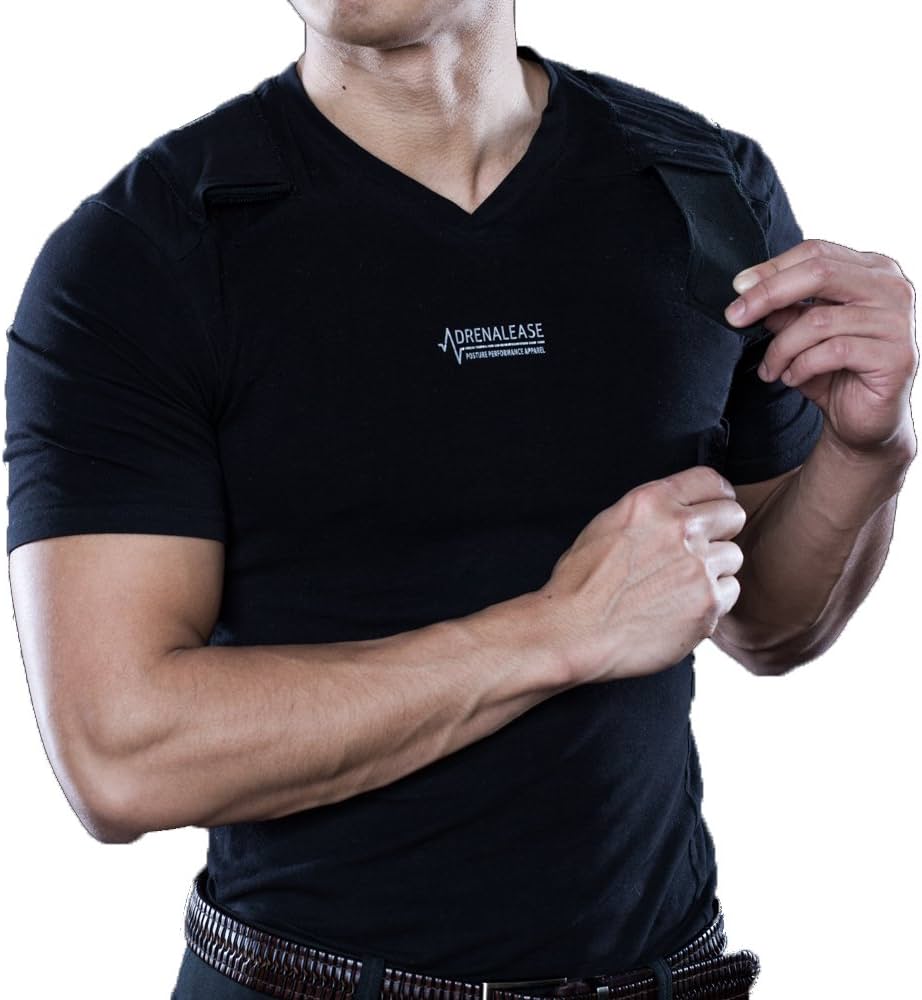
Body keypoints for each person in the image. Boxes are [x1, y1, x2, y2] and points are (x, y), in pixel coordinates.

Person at [5, 2, 916, 999]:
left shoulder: (699, 185)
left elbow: (768, 624)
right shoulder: (145, 252)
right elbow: (120, 755)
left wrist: (863, 450)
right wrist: (558, 632)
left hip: (666, 973)